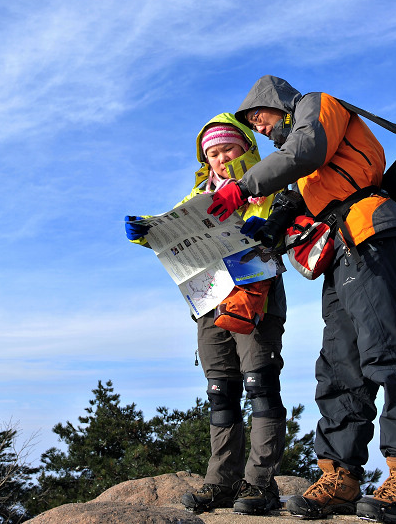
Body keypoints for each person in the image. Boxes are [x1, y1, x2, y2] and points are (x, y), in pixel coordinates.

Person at [206, 76, 396, 524]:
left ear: (276, 102)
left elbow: (305, 151)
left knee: (386, 351)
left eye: (257, 116)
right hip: (338, 247)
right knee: (338, 365)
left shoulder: (317, 107)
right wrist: (270, 229)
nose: (257, 126)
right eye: (252, 124)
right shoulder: (303, 161)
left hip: (368, 232)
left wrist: (247, 185)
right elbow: (297, 198)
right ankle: (340, 475)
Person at [125, 113, 287, 515]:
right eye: (211, 153)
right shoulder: (198, 194)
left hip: (254, 296)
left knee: (260, 386)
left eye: (227, 149)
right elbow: (171, 235)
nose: (218, 159)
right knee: (221, 392)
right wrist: (146, 233)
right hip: (208, 300)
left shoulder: (270, 181)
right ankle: (221, 482)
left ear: (247, 147)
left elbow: (283, 225)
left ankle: (260, 483)